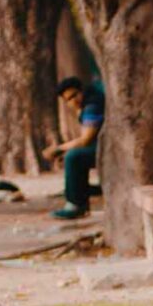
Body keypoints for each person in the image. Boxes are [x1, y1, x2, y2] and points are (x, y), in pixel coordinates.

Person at [42, 76, 104, 220]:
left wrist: (58, 149)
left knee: (73, 157)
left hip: (110, 151)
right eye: (68, 99)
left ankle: (75, 205)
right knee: (73, 157)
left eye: (75, 95)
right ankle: (81, 197)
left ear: (82, 91)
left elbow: (85, 139)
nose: (73, 101)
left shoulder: (92, 106)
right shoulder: (88, 104)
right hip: (104, 147)